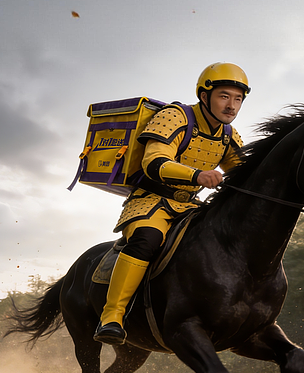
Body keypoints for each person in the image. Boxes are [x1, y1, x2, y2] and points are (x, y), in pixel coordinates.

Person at [94, 62, 249, 344]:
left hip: (190, 206)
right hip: (150, 201)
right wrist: (197, 174)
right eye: (224, 96)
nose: (231, 106)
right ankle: (112, 315)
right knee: (146, 239)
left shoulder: (229, 135)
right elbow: (153, 161)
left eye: (237, 98)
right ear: (204, 95)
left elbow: (246, 175)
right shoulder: (175, 116)